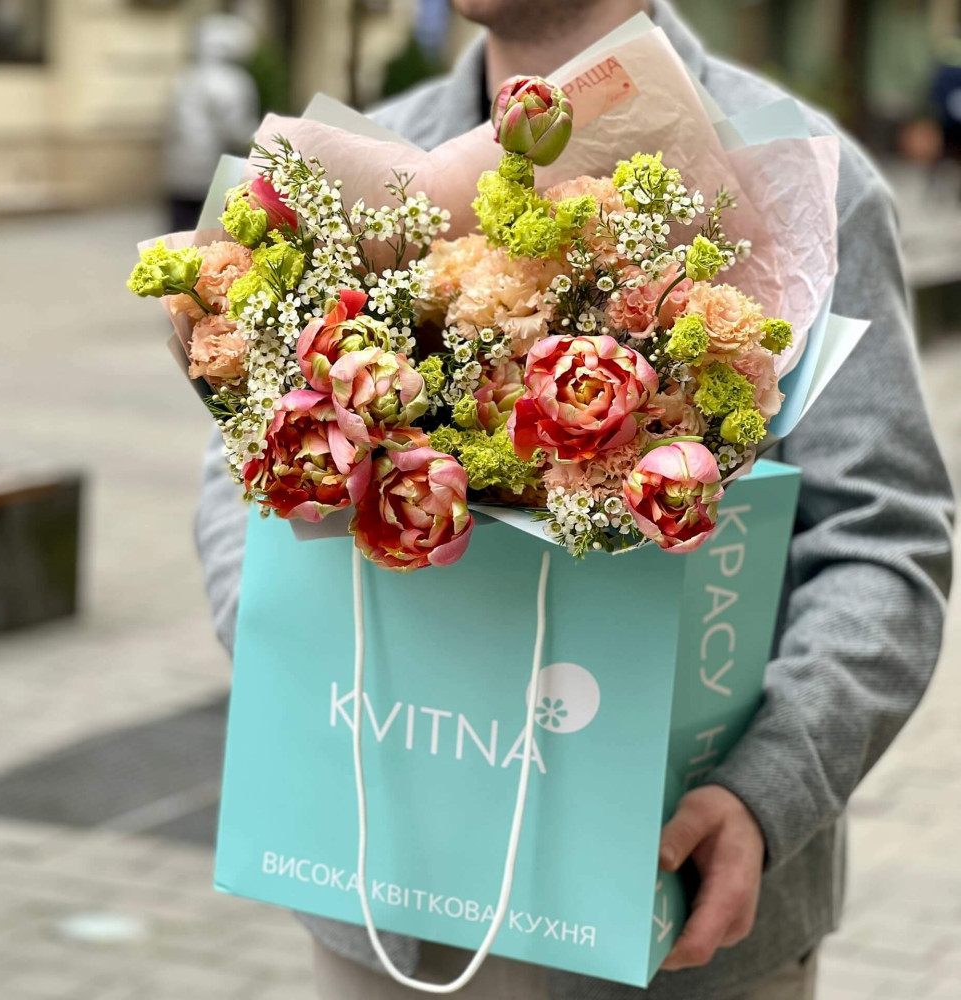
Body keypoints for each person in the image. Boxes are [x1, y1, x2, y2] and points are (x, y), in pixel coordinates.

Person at [195, 1, 955, 997]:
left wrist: (768, 789)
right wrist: (289, 648)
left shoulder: (795, 171)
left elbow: (883, 539)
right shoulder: (354, 163)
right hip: (389, 893)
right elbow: (238, 469)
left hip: (676, 908)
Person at [163, 13, 260, 232]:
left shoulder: (185, 75)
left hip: (177, 170)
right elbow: (237, 131)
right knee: (210, 236)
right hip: (214, 172)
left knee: (178, 234)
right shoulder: (233, 81)